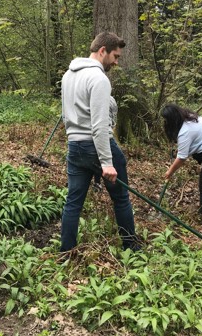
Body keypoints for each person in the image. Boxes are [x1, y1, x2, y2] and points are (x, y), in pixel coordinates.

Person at [60, 31, 138, 252]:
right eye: (115, 56)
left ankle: (66, 251)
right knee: (121, 198)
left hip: (74, 146)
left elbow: (66, 116)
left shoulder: (68, 75)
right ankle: (131, 248)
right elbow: (100, 126)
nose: (116, 62)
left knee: (73, 202)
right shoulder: (99, 79)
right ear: (102, 51)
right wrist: (106, 162)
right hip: (97, 146)